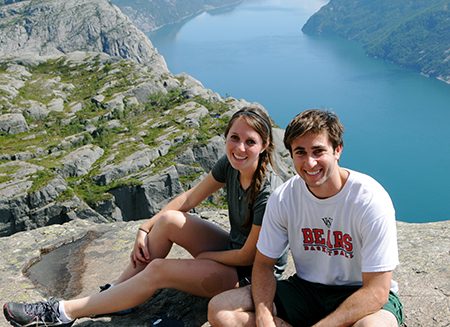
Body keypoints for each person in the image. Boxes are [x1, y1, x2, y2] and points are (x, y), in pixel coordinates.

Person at [3, 106, 287, 327]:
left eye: (250, 142)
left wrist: (205, 258)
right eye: (234, 138)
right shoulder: (231, 166)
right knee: (168, 220)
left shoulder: (268, 194)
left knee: (158, 269)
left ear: (264, 146)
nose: (239, 148)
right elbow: (188, 199)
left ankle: (62, 312)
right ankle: (118, 293)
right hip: (230, 251)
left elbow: (249, 256)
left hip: (248, 277)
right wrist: (145, 228)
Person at [208, 109, 404, 327]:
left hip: (359, 291)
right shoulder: (284, 198)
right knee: (221, 309)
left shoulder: (369, 200)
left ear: (337, 150)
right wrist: (264, 317)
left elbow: (376, 291)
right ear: (291, 154)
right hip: (306, 290)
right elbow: (263, 265)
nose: (310, 163)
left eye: (318, 151)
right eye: (300, 152)